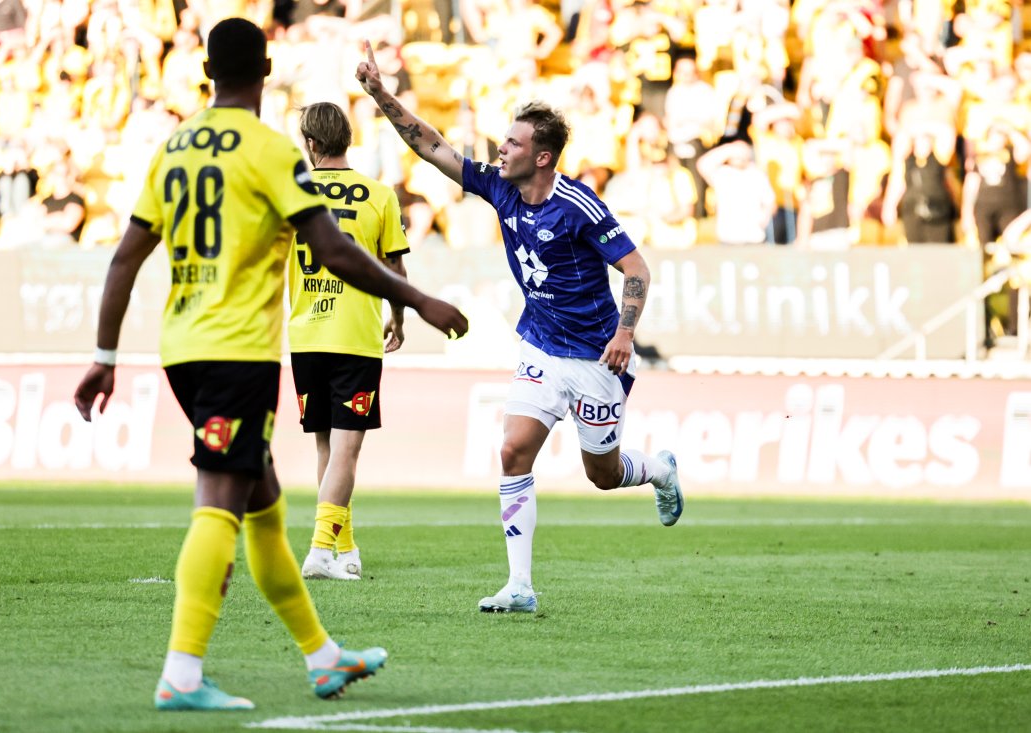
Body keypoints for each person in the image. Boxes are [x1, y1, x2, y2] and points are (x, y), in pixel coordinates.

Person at [73, 18, 467, 712]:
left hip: (183, 347)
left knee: (264, 508)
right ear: (266, 67)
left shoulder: (175, 148)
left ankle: (322, 656)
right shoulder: (272, 151)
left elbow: (124, 258)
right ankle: (182, 672)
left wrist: (104, 356)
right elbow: (338, 250)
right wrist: (419, 298)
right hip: (237, 353)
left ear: (205, 69)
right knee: (218, 507)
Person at [356, 40, 682, 615]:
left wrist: (624, 334)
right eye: (504, 139)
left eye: (513, 143)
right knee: (511, 451)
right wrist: (382, 94)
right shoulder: (500, 186)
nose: (500, 149)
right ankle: (521, 586)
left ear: (543, 158)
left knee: (602, 475)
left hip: (593, 357)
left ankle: (657, 470)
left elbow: (635, 268)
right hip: (541, 346)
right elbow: (431, 145)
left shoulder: (580, 206)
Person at [289, 101, 410, 581]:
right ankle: (320, 551)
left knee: (326, 448)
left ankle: (345, 548)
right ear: (347, 139)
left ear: (311, 144)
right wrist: (398, 318)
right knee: (346, 450)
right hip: (355, 337)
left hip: (305, 335)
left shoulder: (292, 193)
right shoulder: (379, 194)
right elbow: (396, 268)